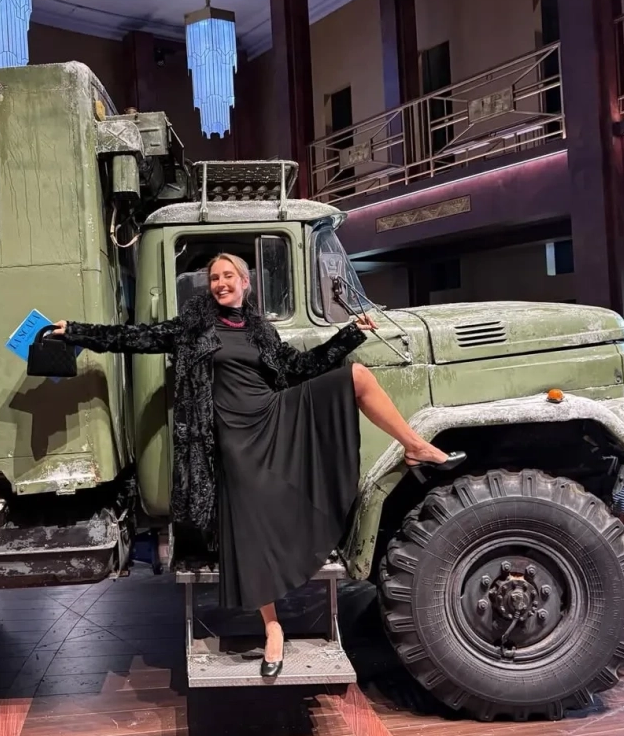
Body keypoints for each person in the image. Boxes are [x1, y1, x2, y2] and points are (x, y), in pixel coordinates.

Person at [51, 253, 466, 679]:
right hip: (231, 436)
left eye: (228, 276)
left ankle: (415, 445)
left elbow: (299, 368)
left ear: (245, 282)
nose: (220, 283)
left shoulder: (260, 330)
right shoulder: (193, 327)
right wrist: (78, 332)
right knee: (248, 523)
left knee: (357, 376)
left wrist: (349, 335)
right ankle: (272, 627)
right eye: (214, 277)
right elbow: (136, 337)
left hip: (269, 416)